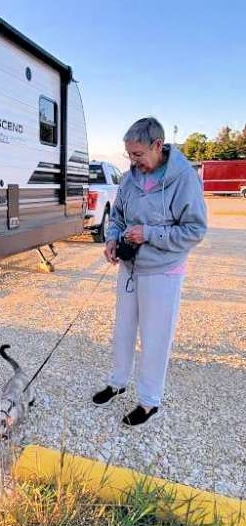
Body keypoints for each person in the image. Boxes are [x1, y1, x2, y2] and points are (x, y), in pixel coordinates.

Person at [93, 117, 207, 426]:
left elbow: (195, 230)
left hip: (163, 270)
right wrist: (112, 239)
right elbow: (117, 216)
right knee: (123, 330)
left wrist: (149, 234)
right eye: (129, 154)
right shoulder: (129, 178)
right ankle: (117, 383)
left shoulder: (184, 178)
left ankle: (149, 401)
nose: (133, 161)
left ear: (158, 145)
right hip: (130, 267)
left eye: (138, 154)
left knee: (155, 337)